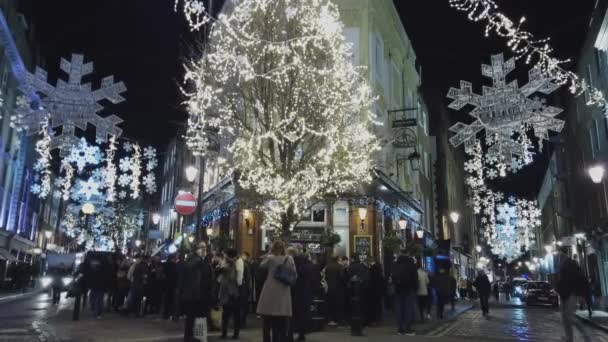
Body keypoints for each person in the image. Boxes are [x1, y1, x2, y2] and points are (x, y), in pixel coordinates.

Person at [257, 241, 297, 342]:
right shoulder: (289, 258)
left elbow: (261, 265)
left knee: (267, 320)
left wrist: (268, 254)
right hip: (283, 290)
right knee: (281, 321)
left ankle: (267, 340)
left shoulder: (270, 258)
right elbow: (295, 275)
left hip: (269, 289)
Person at [179, 243, 214, 342]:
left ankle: (199, 336)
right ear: (196, 249)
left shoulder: (202, 261)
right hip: (194, 294)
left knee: (200, 317)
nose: (204, 250)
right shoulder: (195, 261)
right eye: (202, 248)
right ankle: (193, 337)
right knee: (193, 317)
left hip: (200, 294)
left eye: (205, 248)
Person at [556, 247, 587, 342]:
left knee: (569, 317)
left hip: (572, 294)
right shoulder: (562, 265)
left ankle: (586, 335)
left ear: (565, 254)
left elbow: (579, 278)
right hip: (564, 294)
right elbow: (562, 280)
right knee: (564, 318)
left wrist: (581, 294)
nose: (559, 256)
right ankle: (569, 338)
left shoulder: (571, 263)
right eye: (559, 255)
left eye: (560, 254)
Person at [288, 247, 313, 342]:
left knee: (291, 315)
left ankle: (289, 335)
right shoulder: (308, 264)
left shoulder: (292, 263)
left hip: (293, 292)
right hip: (305, 292)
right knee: (302, 314)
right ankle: (301, 334)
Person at [391, 252, 418, 336]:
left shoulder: (395, 265)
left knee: (399, 309)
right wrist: (415, 288)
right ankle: (408, 328)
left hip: (398, 290)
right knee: (408, 309)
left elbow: (392, 277)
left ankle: (400, 329)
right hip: (409, 290)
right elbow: (415, 279)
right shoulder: (411, 265)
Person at [218, 248, 242, 340]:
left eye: (225, 255)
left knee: (228, 314)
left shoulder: (231, 264)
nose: (224, 256)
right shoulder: (235, 263)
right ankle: (233, 333)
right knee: (233, 314)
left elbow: (233, 278)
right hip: (233, 292)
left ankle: (226, 333)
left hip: (230, 292)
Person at [324, 256, 345, 326]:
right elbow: (342, 277)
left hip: (330, 288)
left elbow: (325, 277)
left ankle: (330, 319)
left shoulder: (327, 267)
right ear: (337, 260)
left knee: (330, 305)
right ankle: (338, 320)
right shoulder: (340, 267)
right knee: (338, 305)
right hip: (338, 289)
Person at [367, 259, 385, 326]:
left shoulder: (371, 271)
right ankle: (378, 319)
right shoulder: (380, 273)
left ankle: (374, 320)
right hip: (379, 292)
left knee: (373, 306)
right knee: (378, 305)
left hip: (372, 291)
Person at [163, 254, 179, 320]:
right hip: (173, 285)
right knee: (172, 301)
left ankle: (166, 314)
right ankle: (171, 314)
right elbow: (176, 275)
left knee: (167, 300)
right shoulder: (174, 266)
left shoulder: (165, 265)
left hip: (167, 284)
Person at [240, 252, 252, 328]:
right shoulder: (246, 264)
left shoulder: (245, 264)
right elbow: (248, 278)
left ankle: (241, 322)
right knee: (244, 306)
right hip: (245, 288)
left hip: (242, 288)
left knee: (242, 306)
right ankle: (242, 322)